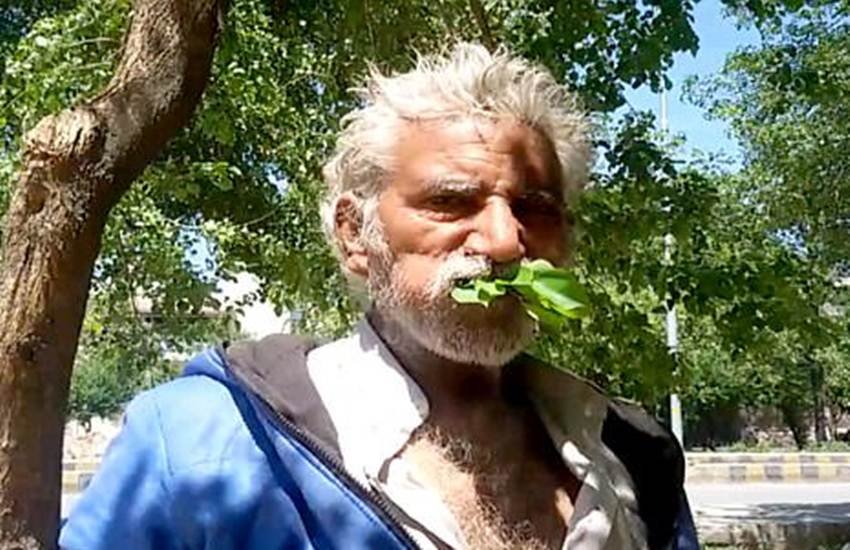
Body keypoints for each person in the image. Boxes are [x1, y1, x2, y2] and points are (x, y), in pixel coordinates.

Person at [60, 43, 698, 550]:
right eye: (451, 201)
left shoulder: (631, 453)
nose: (506, 242)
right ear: (354, 235)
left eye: (535, 208)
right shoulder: (196, 443)